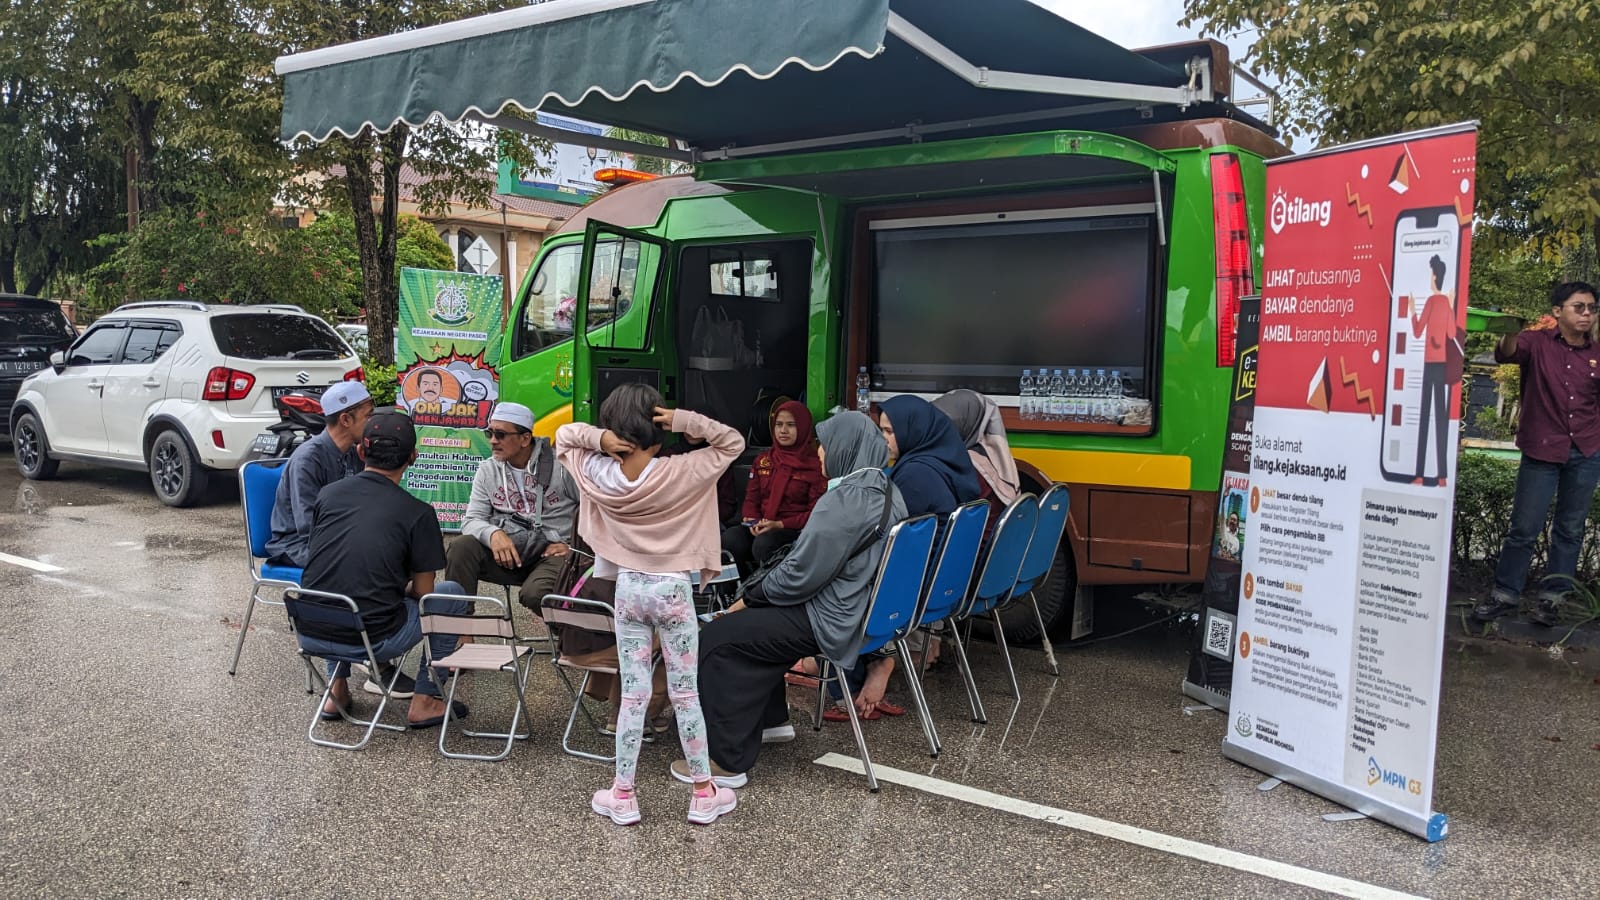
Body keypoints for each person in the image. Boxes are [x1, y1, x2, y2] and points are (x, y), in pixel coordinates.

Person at [556, 385, 743, 826]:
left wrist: (600, 440)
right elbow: (732, 442)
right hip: (673, 589)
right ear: (658, 433)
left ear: (613, 428)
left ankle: (622, 795)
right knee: (685, 694)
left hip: (629, 589)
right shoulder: (682, 471)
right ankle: (703, 794)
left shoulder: (598, 472)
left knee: (633, 695)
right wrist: (684, 420)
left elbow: (564, 437)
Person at [692, 410, 907, 781]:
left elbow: (798, 577)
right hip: (859, 609)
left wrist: (748, 598)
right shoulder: (888, 490)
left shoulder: (843, 501)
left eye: (825, 444)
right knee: (754, 628)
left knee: (718, 637)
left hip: (830, 617)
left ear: (846, 448)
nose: (820, 452)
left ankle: (726, 761)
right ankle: (771, 721)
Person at [293, 411, 472, 727]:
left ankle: (336, 690)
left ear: (361, 452)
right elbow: (425, 594)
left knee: (336, 588)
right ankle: (426, 699)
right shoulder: (419, 513)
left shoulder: (327, 495)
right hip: (373, 638)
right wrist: (398, 584)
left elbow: (326, 561)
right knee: (452, 596)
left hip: (309, 630)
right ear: (413, 457)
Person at [1475, 281, 1600, 626]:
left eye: (1591, 308)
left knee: (1570, 530)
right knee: (1523, 528)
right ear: (1558, 311)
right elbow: (1508, 353)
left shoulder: (1596, 354)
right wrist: (1509, 331)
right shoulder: (1537, 342)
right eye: (1579, 307)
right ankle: (1505, 595)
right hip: (1542, 449)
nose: (1587, 314)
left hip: (1586, 451)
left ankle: (1553, 600)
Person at [445, 401, 579, 613]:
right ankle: (459, 626)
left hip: (552, 554)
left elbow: (597, 512)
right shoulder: (487, 470)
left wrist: (575, 549)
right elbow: (471, 520)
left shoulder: (562, 468)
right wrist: (493, 534)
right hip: (510, 552)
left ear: (525, 438)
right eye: (489, 433)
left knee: (535, 594)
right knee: (461, 547)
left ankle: (574, 633)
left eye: (500, 435)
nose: (493, 441)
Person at [264, 381, 374, 568]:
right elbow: (308, 526)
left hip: (337, 537)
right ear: (346, 420)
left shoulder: (353, 452)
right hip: (298, 544)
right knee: (363, 564)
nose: (372, 422)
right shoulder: (307, 459)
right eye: (368, 416)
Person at [721, 400, 825, 572]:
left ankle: (768, 588)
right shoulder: (764, 460)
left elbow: (815, 512)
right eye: (779, 424)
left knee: (764, 544)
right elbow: (751, 498)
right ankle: (739, 586)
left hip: (792, 529)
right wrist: (752, 520)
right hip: (762, 525)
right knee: (731, 539)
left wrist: (779, 524)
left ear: (803, 427)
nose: (783, 430)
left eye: (791, 425)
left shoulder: (816, 465)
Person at [878, 395, 982, 517]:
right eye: (881, 430)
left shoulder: (913, 474)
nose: (883, 438)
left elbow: (890, 524)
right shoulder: (940, 458)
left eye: (889, 431)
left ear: (914, 430)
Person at [1409, 254, 1459, 487]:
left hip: (1430, 364)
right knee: (1440, 417)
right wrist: (1451, 305)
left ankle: (1419, 474)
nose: (1430, 278)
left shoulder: (1431, 301)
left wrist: (1412, 311)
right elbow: (1451, 333)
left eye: (1431, 274)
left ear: (1435, 276)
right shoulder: (1446, 304)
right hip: (1442, 364)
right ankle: (1442, 477)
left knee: (1424, 417)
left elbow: (1418, 330)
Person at [931, 388, 1022, 512]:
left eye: (946, 425)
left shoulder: (968, 464)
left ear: (965, 424)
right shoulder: (992, 454)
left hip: (980, 524)